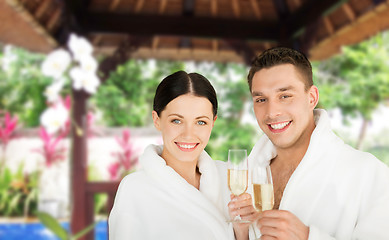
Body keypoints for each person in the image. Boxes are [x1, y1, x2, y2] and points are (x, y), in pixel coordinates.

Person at [228, 47, 389, 239]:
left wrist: (307, 237)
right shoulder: (246, 174)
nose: (272, 112)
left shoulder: (370, 175)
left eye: (285, 96)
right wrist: (241, 233)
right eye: (261, 99)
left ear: (312, 97)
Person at [108, 70, 234, 240]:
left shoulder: (229, 178)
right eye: (177, 120)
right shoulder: (135, 189)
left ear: (213, 123)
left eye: (201, 122)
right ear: (157, 119)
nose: (189, 134)